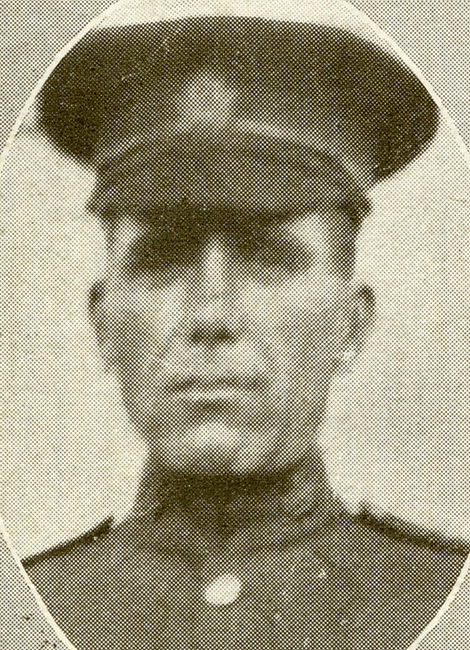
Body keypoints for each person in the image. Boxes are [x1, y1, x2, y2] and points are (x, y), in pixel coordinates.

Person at [22, 13, 468, 650]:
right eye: (161, 258)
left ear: (352, 321)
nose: (211, 317)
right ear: (103, 322)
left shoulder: (441, 599)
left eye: (271, 261)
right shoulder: (32, 606)